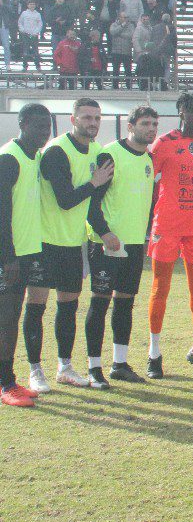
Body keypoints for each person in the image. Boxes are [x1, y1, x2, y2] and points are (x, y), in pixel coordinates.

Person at [25, 98, 109, 390]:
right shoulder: (56, 152)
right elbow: (65, 200)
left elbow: (95, 201)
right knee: (36, 306)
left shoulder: (98, 152)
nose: (93, 122)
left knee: (68, 306)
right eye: (86, 117)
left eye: (97, 118)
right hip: (44, 243)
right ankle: (35, 371)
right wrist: (94, 183)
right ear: (73, 120)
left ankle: (65, 367)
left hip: (74, 244)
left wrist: (104, 230)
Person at [83, 106, 158, 386]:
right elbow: (92, 202)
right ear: (131, 126)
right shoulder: (109, 154)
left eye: (154, 124)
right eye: (145, 123)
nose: (151, 128)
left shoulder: (149, 159)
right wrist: (104, 233)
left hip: (135, 244)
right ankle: (94, 368)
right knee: (99, 303)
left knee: (125, 303)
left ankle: (120, 363)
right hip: (107, 244)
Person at [147, 93, 193, 378]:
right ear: (181, 112)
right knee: (159, 289)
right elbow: (146, 176)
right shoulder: (164, 143)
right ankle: (154, 354)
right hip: (167, 227)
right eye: (192, 111)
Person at [0, 104, 51, 405]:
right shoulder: (9, 159)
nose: (44, 132)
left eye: (47, 127)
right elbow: (1, 215)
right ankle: (6, 385)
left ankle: (10, 380)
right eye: (38, 126)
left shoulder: (35, 158)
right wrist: (8, 258)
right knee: (6, 318)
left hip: (31, 251)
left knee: (15, 316)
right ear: (21, 123)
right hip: (11, 256)